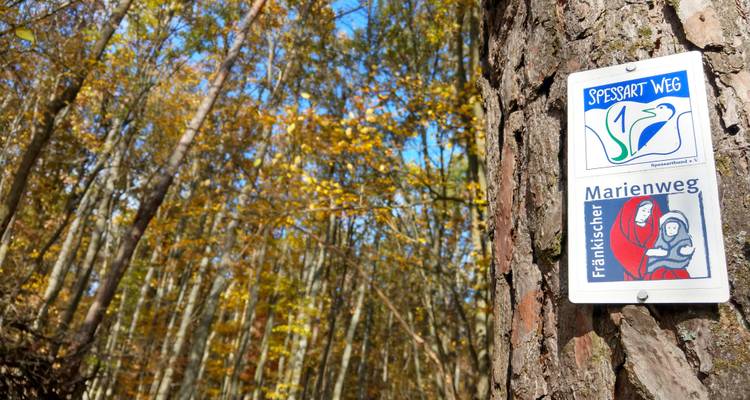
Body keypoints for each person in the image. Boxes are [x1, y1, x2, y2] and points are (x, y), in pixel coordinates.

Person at [609, 197, 662, 280]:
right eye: (643, 210)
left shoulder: (653, 228)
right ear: (634, 209)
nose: (646, 214)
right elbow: (620, 247)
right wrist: (647, 252)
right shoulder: (624, 228)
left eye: (649, 211)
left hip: (654, 269)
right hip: (633, 272)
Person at [644, 211, 693, 280]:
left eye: (674, 228)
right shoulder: (659, 239)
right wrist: (656, 252)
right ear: (664, 228)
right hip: (657, 267)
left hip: (677, 265)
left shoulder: (683, 240)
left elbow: (682, 253)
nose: (671, 230)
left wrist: (682, 251)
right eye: (669, 227)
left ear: (679, 229)